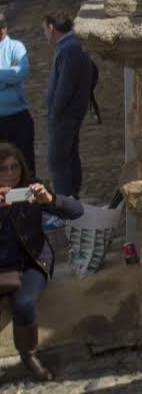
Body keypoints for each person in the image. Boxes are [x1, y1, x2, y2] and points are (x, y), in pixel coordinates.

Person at [0, 142, 82, 380]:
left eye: (14, 167)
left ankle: (28, 355)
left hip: (31, 262)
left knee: (24, 303)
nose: (11, 173)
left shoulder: (31, 190)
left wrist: (49, 200)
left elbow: (76, 210)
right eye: (4, 169)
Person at [41, 13, 97, 199]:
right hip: (69, 114)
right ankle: (72, 201)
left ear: (51, 28)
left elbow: (65, 87)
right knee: (69, 157)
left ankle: (64, 205)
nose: (45, 35)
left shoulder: (69, 48)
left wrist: (55, 112)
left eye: (44, 30)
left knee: (57, 160)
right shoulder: (72, 46)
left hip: (65, 115)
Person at [0, 13, 31, 161]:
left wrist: (12, 75)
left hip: (17, 119)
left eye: (3, 26)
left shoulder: (16, 47)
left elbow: (20, 73)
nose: (1, 30)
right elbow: (13, 75)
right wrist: (8, 77)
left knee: (25, 165)